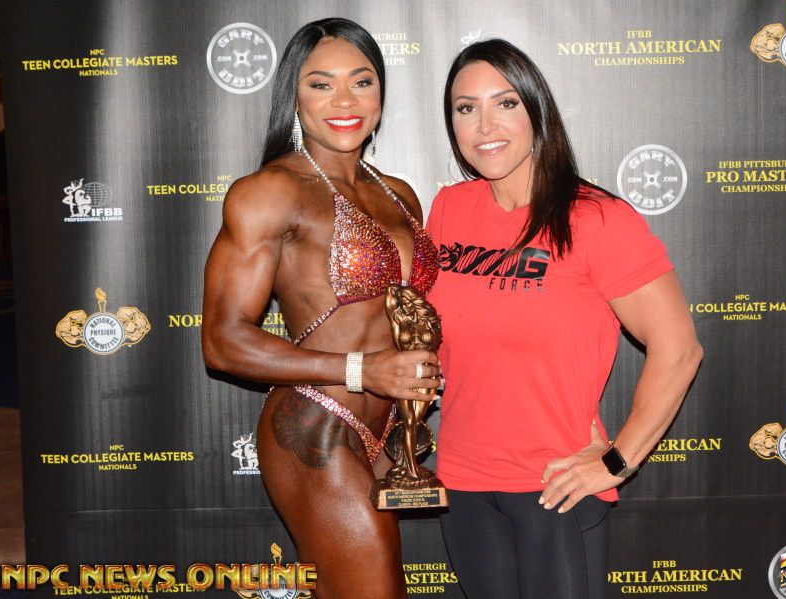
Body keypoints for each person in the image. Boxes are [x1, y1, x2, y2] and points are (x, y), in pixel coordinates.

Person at [427, 39, 703, 599]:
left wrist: (618, 461)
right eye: (466, 108)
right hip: (461, 483)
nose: (485, 125)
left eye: (505, 103)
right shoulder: (448, 209)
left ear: (536, 111)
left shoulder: (597, 218)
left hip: (555, 488)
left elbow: (679, 350)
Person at [201, 18, 440, 599]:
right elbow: (223, 341)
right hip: (315, 423)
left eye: (362, 81)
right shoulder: (270, 192)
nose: (345, 101)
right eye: (321, 84)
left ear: (381, 93)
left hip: (390, 432)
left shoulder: (399, 193)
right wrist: (364, 370)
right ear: (294, 95)